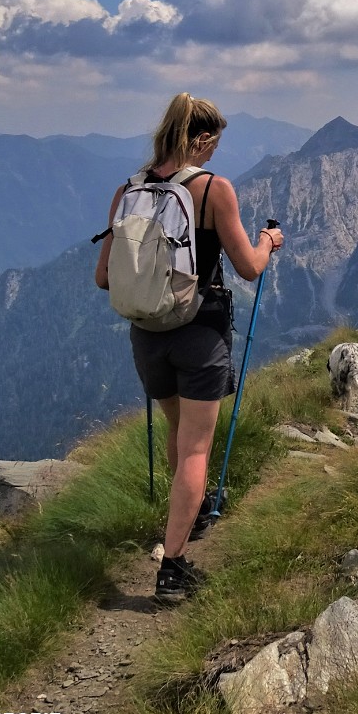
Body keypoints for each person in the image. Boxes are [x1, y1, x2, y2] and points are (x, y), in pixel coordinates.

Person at [94, 93, 284, 603]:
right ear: (201, 138)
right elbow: (247, 266)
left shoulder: (129, 190)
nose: (216, 151)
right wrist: (269, 241)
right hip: (199, 332)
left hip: (146, 333)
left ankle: (187, 513)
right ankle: (173, 566)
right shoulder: (211, 189)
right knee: (197, 447)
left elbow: (102, 276)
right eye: (214, 141)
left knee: (179, 435)